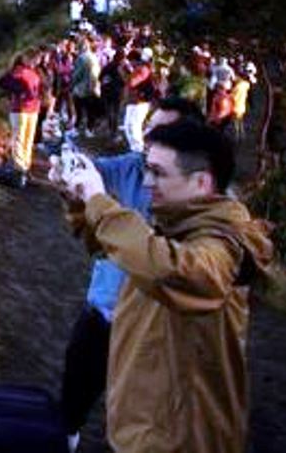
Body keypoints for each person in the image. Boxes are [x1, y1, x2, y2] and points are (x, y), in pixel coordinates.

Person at [60, 120, 274, 453]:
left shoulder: (223, 247)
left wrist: (100, 202)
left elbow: (168, 269)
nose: (146, 183)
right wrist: (78, 200)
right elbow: (118, 249)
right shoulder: (177, 227)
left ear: (201, 182)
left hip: (178, 438)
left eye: (158, 173)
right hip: (145, 427)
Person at [55, 97, 204, 452]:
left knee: (137, 429)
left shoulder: (201, 200)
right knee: (70, 408)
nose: (149, 134)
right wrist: (68, 165)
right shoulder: (132, 165)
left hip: (155, 335)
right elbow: (94, 172)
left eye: (162, 129)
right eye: (149, 125)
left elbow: (160, 261)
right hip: (102, 313)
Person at [0, 51, 42, 188]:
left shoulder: (31, 72)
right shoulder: (19, 71)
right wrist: (19, 92)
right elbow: (2, 82)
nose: (38, 61)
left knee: (27, 140)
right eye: (36, 59)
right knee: (20, 140)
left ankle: (24, 169)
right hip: (20, 110)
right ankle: (19, 171)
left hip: (31, 110)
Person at [122, 47, 155, 152]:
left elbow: (132, 83)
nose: (130, 63)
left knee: (134, 126)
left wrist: (125, 72)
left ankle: (138, 151)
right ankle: (133, 149)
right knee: (128, 126)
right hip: (133, 101)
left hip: (140, 102)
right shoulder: (140, 69)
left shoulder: (143, 69)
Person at [71, 38, 102, 137]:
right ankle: (89, 130)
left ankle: (76, 129)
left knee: (79, 110)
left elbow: (77, 74)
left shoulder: (81, 58)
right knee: (90, 111)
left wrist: (72, 83)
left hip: (81, 89)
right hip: (93, 87)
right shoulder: (95, 57)